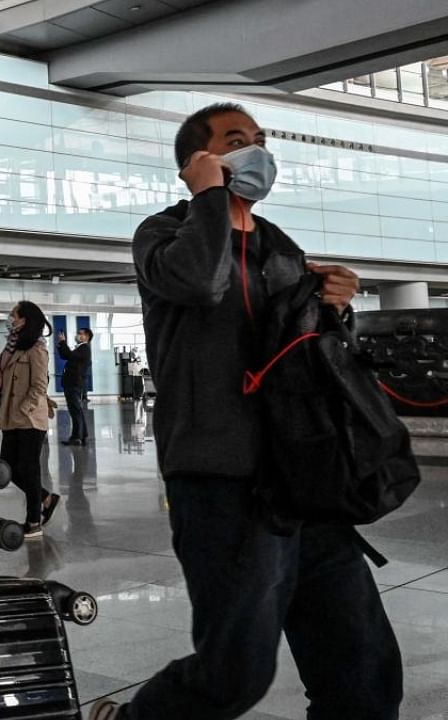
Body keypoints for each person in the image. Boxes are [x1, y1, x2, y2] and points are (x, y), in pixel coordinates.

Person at [88, 104, 399, 720]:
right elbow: (201, 282)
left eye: (258, 140)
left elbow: (305, 354)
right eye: (236, 141)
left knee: (362, 669)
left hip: (305, 478)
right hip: (222, 482)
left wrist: (335, 306)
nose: (256, 150)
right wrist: (208, 199)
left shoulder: (280, 247)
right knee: (235, 674)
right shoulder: (163, 235)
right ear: (197, 161)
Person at [0, 301, 60, 539]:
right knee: (7, 468)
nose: (10, 319)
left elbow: (39, 384)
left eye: (13, 316)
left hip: (29, 419)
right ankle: (46, 498)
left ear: (25, 320)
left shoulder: (37, 349)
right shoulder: (12, 348)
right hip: (10, 417)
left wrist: (25, 407)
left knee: (29, 469)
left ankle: (33, 522)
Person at [57, 328, 93, 446]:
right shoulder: (80, 348)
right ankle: (83, 435)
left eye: (80, 333)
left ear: (87, 336)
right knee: (77, 410)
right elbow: (65, 356)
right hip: (72, 383)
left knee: (75, 410)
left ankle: (76, 437)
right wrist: (61, 344)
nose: (78, 335)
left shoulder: (84, 348)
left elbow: (69, 355)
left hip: (74, 383)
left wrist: (63, 342)